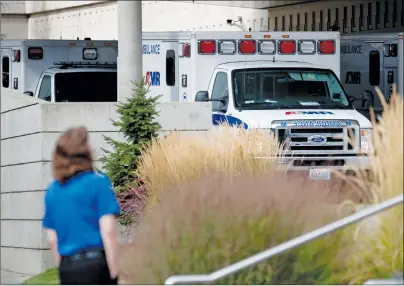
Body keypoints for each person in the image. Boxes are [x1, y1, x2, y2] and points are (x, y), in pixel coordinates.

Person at [42, 126, 121, 285]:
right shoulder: (98, 183)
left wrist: (63, 268)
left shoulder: (52, 191)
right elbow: (108, 229)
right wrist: (113, 269)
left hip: (68, 267)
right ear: (84, 153)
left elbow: (52, 238)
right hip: (96, 265)